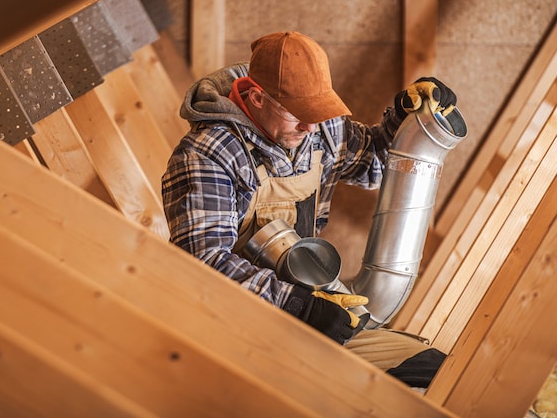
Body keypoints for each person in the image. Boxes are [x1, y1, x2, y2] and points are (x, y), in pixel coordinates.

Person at [161, 31, 455, 388]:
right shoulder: (208, 155)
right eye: (298, 114)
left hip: (309, 308)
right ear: (255, 98)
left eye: (317, 111)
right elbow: (203, 263)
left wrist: (404, 122)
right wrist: (298, 305)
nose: (311, 126)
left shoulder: (319, 128)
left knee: (437, 373)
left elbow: (373, 166)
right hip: (235, 331)